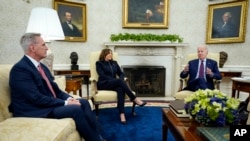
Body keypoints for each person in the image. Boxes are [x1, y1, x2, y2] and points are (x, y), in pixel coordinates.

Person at [8, 33, 105, 141]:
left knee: (84, 102)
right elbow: (36, 98)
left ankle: (97, 136)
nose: (47, 48)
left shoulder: (42, 67)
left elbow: (56, 91)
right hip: (33, 110)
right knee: (75, 109)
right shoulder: (20, 70)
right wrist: (66, 103)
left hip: (46, 104)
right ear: (33, 48)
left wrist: (69, 98)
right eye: (43, 45)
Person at [96, 48, 147, 124]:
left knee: (120, 88)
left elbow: (121, 73)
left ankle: (122, 114)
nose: (111, 54)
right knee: (119, 82)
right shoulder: (99, 63)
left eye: (111, 53)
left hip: (114, 83)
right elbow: (102, 75)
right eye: (109, 53)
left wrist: (120, 79)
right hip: (103, 83)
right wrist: (117, 80)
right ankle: (134, 98)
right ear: (104, 54)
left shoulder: (114, 63)